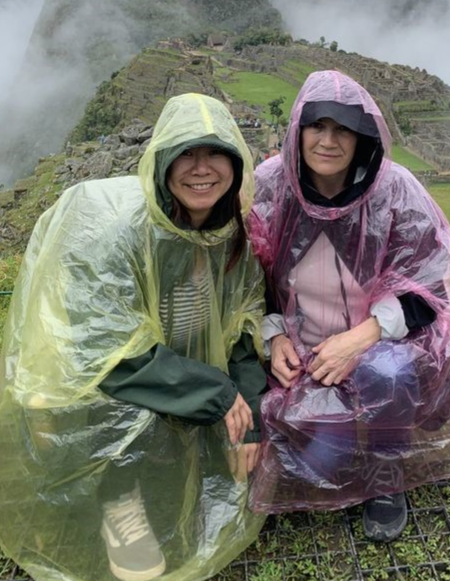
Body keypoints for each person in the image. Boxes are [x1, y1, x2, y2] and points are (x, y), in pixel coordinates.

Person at [0, 93, 267, 581]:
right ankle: (118, 498)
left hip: (181, 369)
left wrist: (249, 419)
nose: (201, 168)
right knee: (116, 410)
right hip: (104, 380)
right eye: (186, 153)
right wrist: (218, 394)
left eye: (215, 153)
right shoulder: (117, 231)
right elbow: (106, 354)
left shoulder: (233, 235)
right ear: (161, 161)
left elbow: (242, 332)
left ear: (236, 164)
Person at [247, 70, 450, 542]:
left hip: (377, 345)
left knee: (390, 375)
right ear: (297, 129)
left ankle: (387, 470)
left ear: (364, 139)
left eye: (343, 129)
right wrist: (273, 332)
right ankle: (333, 439)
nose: (328, 140)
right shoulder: (270, 187)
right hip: (301, 347)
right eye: (317, 126)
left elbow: (428, 290)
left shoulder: (396, 191)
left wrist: (361, 338)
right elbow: (246, 276)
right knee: (316, 464)